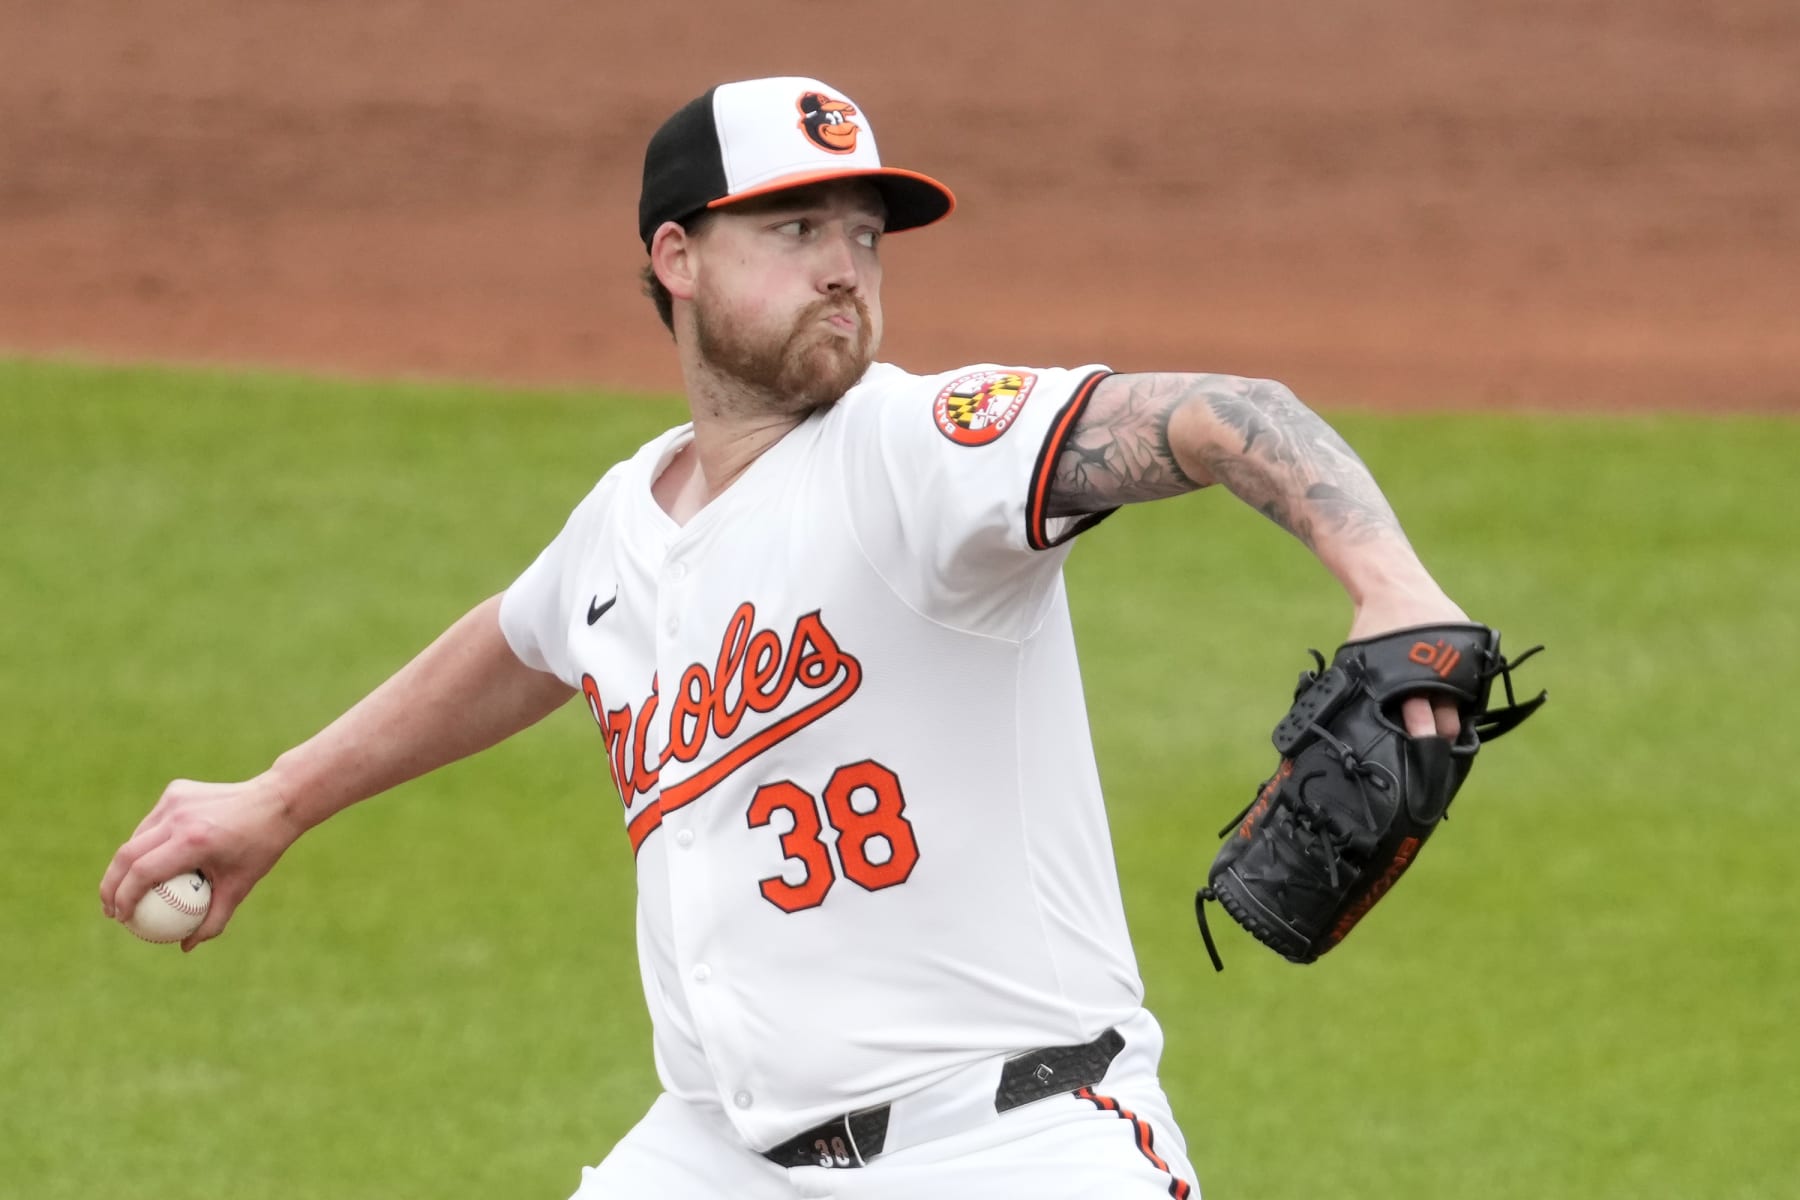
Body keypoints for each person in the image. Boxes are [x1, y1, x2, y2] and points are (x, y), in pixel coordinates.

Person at [101, 76, 1470, 1199]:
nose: (844, 272)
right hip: (718, 1153)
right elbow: (521, 646)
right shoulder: (625, 519)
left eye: (863, 238)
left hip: (1012, 1148)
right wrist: (278, 799)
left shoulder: (918, 451)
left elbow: (1223, 412)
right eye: (795, 231)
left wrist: (1387, 580)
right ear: (675, 256)